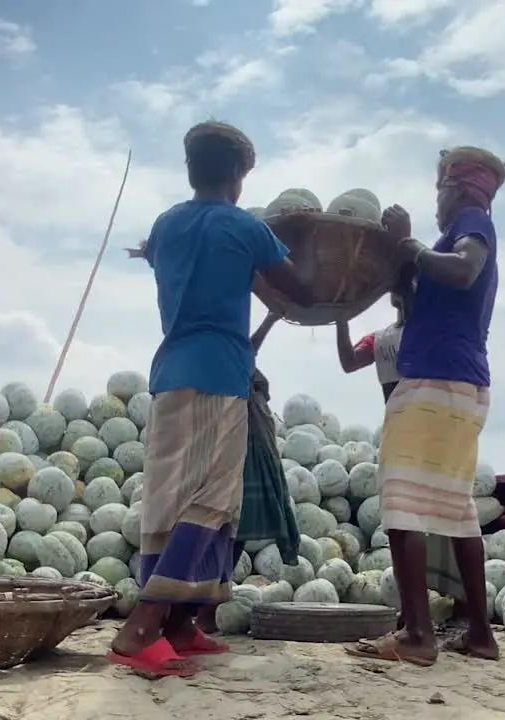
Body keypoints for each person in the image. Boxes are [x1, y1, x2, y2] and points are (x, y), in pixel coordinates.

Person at [106, 121, 315, 678]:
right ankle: (142, 627)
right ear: (239, 176)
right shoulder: (244, 228)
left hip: (170, 373)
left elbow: (155, 253)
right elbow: (300, 288)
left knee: (167, 502)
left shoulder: (167, 223)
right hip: (220, 375)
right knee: (211, 501)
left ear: (191, 169)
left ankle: (179, 626)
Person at [345, 145, 505, 667]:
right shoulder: (460, 228)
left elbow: (463, 269)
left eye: (439, 188)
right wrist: (401, 257)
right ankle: (481, 634)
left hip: (435, 383)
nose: (436, 200)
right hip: (464, 385)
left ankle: (417, 635)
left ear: (457, 188)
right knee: (459, 510)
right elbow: (417, 301)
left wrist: (411, 245)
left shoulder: (471, 222)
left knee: (400, 500)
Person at [195, 308, 301, 633]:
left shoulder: (231, 356)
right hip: (238, 449)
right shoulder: (220, 355)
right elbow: (248, 350)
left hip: (253, 445)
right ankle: (203, 613)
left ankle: (207, 612)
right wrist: (269, 320)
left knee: (234, 533)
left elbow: (248, 352)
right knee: (225, 532)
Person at [334, 268, 414, 402]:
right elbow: (349, 363)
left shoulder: (434, 331)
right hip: (396, 419)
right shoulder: (379, 339)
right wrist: (341, 320)